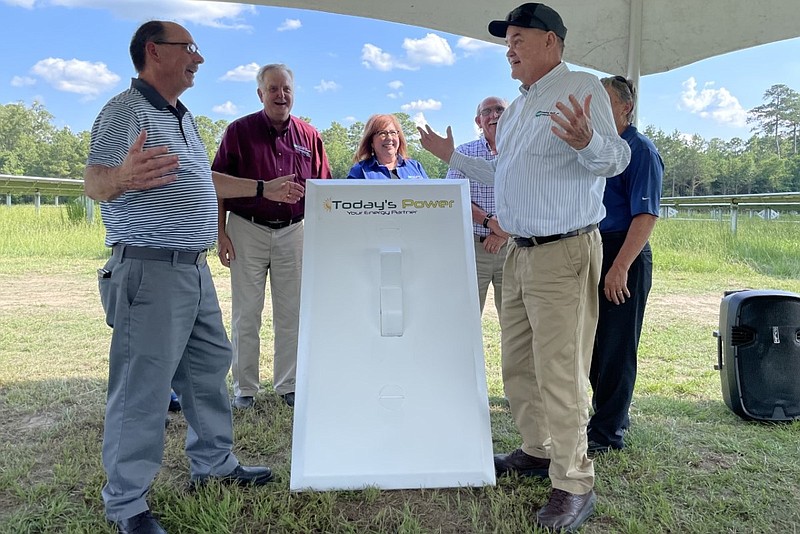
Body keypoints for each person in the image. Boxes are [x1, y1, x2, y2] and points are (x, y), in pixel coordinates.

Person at [84, 21, 304, 534]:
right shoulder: (125, 110)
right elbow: (94, 180)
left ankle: (214, 464)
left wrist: (261, 187)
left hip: (192, 267)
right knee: (143, 387)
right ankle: (126, 504)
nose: (199, 59)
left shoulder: (181, 116)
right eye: (190, 49)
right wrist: (121, 177)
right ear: (155, 52)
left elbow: (200, 177)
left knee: (209, 368)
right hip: (150, 267)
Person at [417, 3, 631, 531]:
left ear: (551, 43)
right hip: (518, 251)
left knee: (560, 370)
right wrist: (453, 155)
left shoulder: (582, 87)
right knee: (518, 363)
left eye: (518, 39)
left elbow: (616, 160)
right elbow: (501, 168)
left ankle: (574, 481)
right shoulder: (517, 107)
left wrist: (588, 142)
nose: (508, 49)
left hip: (563, 250)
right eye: (506, 40)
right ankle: (537, 451)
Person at [214, 64, 331, 410]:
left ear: (294, 93)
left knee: (291, 313)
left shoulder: (310, 136)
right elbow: (217, 183)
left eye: (286, 89)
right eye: (273, 89)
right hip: (246, 229)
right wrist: (221, 233)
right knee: (246, 312)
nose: (281, 96)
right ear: (260, 93)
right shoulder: (238, 132)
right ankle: (245, 388)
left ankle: (288, 384)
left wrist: (322, 238)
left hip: (294, 232)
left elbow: (324, 190)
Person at [587, 76, 663, 455]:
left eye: (604, 102)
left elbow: (645, 215)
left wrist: (620, 267)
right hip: (592, 249)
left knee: (617, 344)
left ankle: (606, 433)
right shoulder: (597, 149)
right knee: (592, 343)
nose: (595, 109)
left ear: (625, 107)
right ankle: (611, 413)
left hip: (624, 252)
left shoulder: (640, 150)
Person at [445, 97, 510, 317]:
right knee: (467, 317)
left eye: (500, 109)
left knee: (514, 323)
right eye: (487, 111)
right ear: (478, 120)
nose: (495, 115)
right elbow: (453, 196)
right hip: (474, 249)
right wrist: (490, 221)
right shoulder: (463, 154)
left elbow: (531, 197)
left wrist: (504, 233)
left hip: (513, 248)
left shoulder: (522, 152)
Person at [347, 114, 430, 179]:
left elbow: (431, 196)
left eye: (393, 133)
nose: (389, 138)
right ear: (371, 141)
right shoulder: (359, 171)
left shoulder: (415, 167)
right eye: (382, 133)